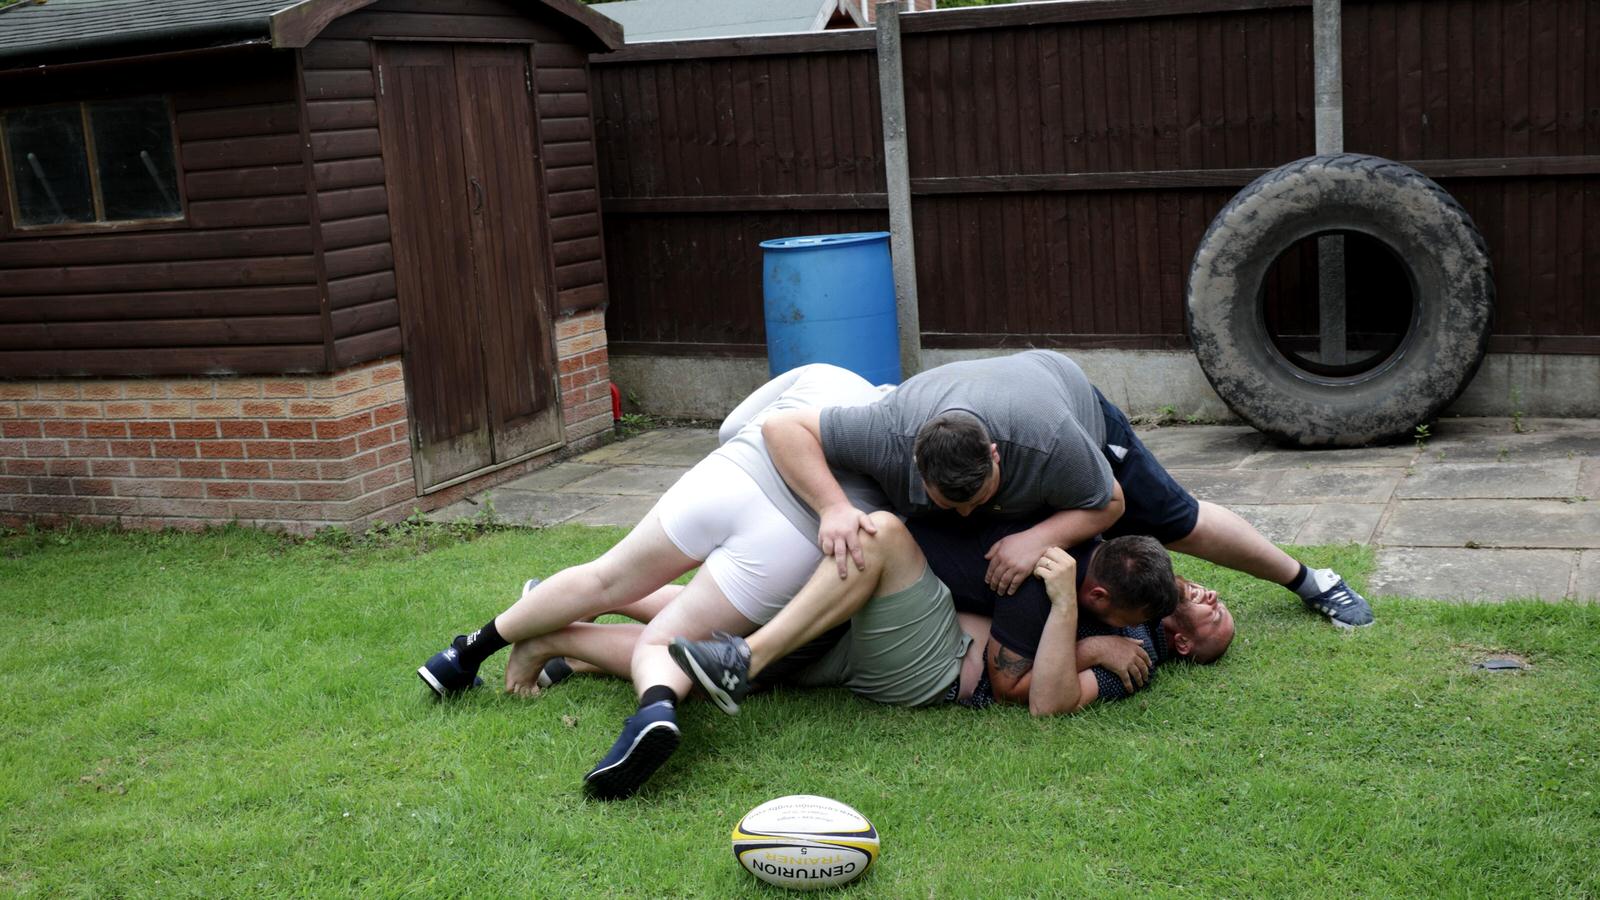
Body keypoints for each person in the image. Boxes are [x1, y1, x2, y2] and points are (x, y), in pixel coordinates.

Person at [414, 364, 904, 800]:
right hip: (800, 536)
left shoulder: (823, 372)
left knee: (605, 578)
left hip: (736, 473)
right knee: (672, 638)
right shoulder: (902, 457)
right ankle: (654, 709)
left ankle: (462, 655)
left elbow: (733, 426)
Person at [759, 350, 1372, 631]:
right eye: (955, 504)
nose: (972, 513)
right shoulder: (889, 431)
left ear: (998, 456)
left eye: (982, 496)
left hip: (1070, 410)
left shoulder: (1052, 442)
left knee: (1176, 521)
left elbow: (1109, 504)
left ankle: (1309, 580)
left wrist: (1035, 537)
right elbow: (782, 427)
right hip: (969, 416)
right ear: (919, 470)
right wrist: (834, 506)